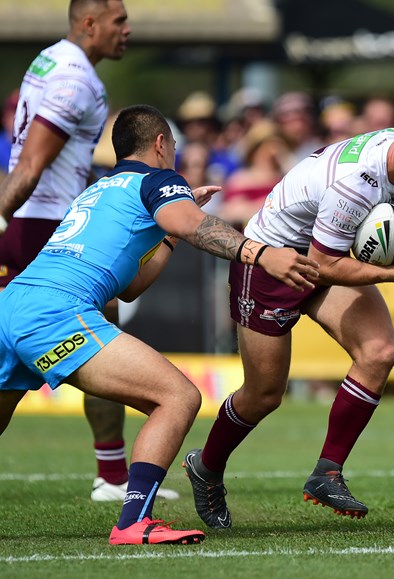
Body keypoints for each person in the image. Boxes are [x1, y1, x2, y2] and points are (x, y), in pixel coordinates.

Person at [0, 103, 319, 545]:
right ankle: (133, 522)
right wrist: (263, 253)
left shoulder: (98, 188)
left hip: (11, 304)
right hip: (56, 312)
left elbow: (129, 288)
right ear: (161, 144)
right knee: (178, 397)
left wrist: (169, 232)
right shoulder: (160, 179)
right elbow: (194, 225)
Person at [183, 103, 394, 527]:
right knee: (265, 394)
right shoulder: (357, 183)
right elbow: (322, 266)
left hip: (322, 254)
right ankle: (206, 466)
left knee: (378, 351)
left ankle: (327, 472)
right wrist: (391, 274)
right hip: (271, 262)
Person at [0, 0, 180, 503]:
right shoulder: (76, 79)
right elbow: (33, 164)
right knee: (104, 342)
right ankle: (114, 474)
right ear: (89, 23)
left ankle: (113, 471)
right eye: (119, 20)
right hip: (49, 226)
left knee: (10, 362)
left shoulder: (48, 59)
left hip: (37, 222)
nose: (127, 29)